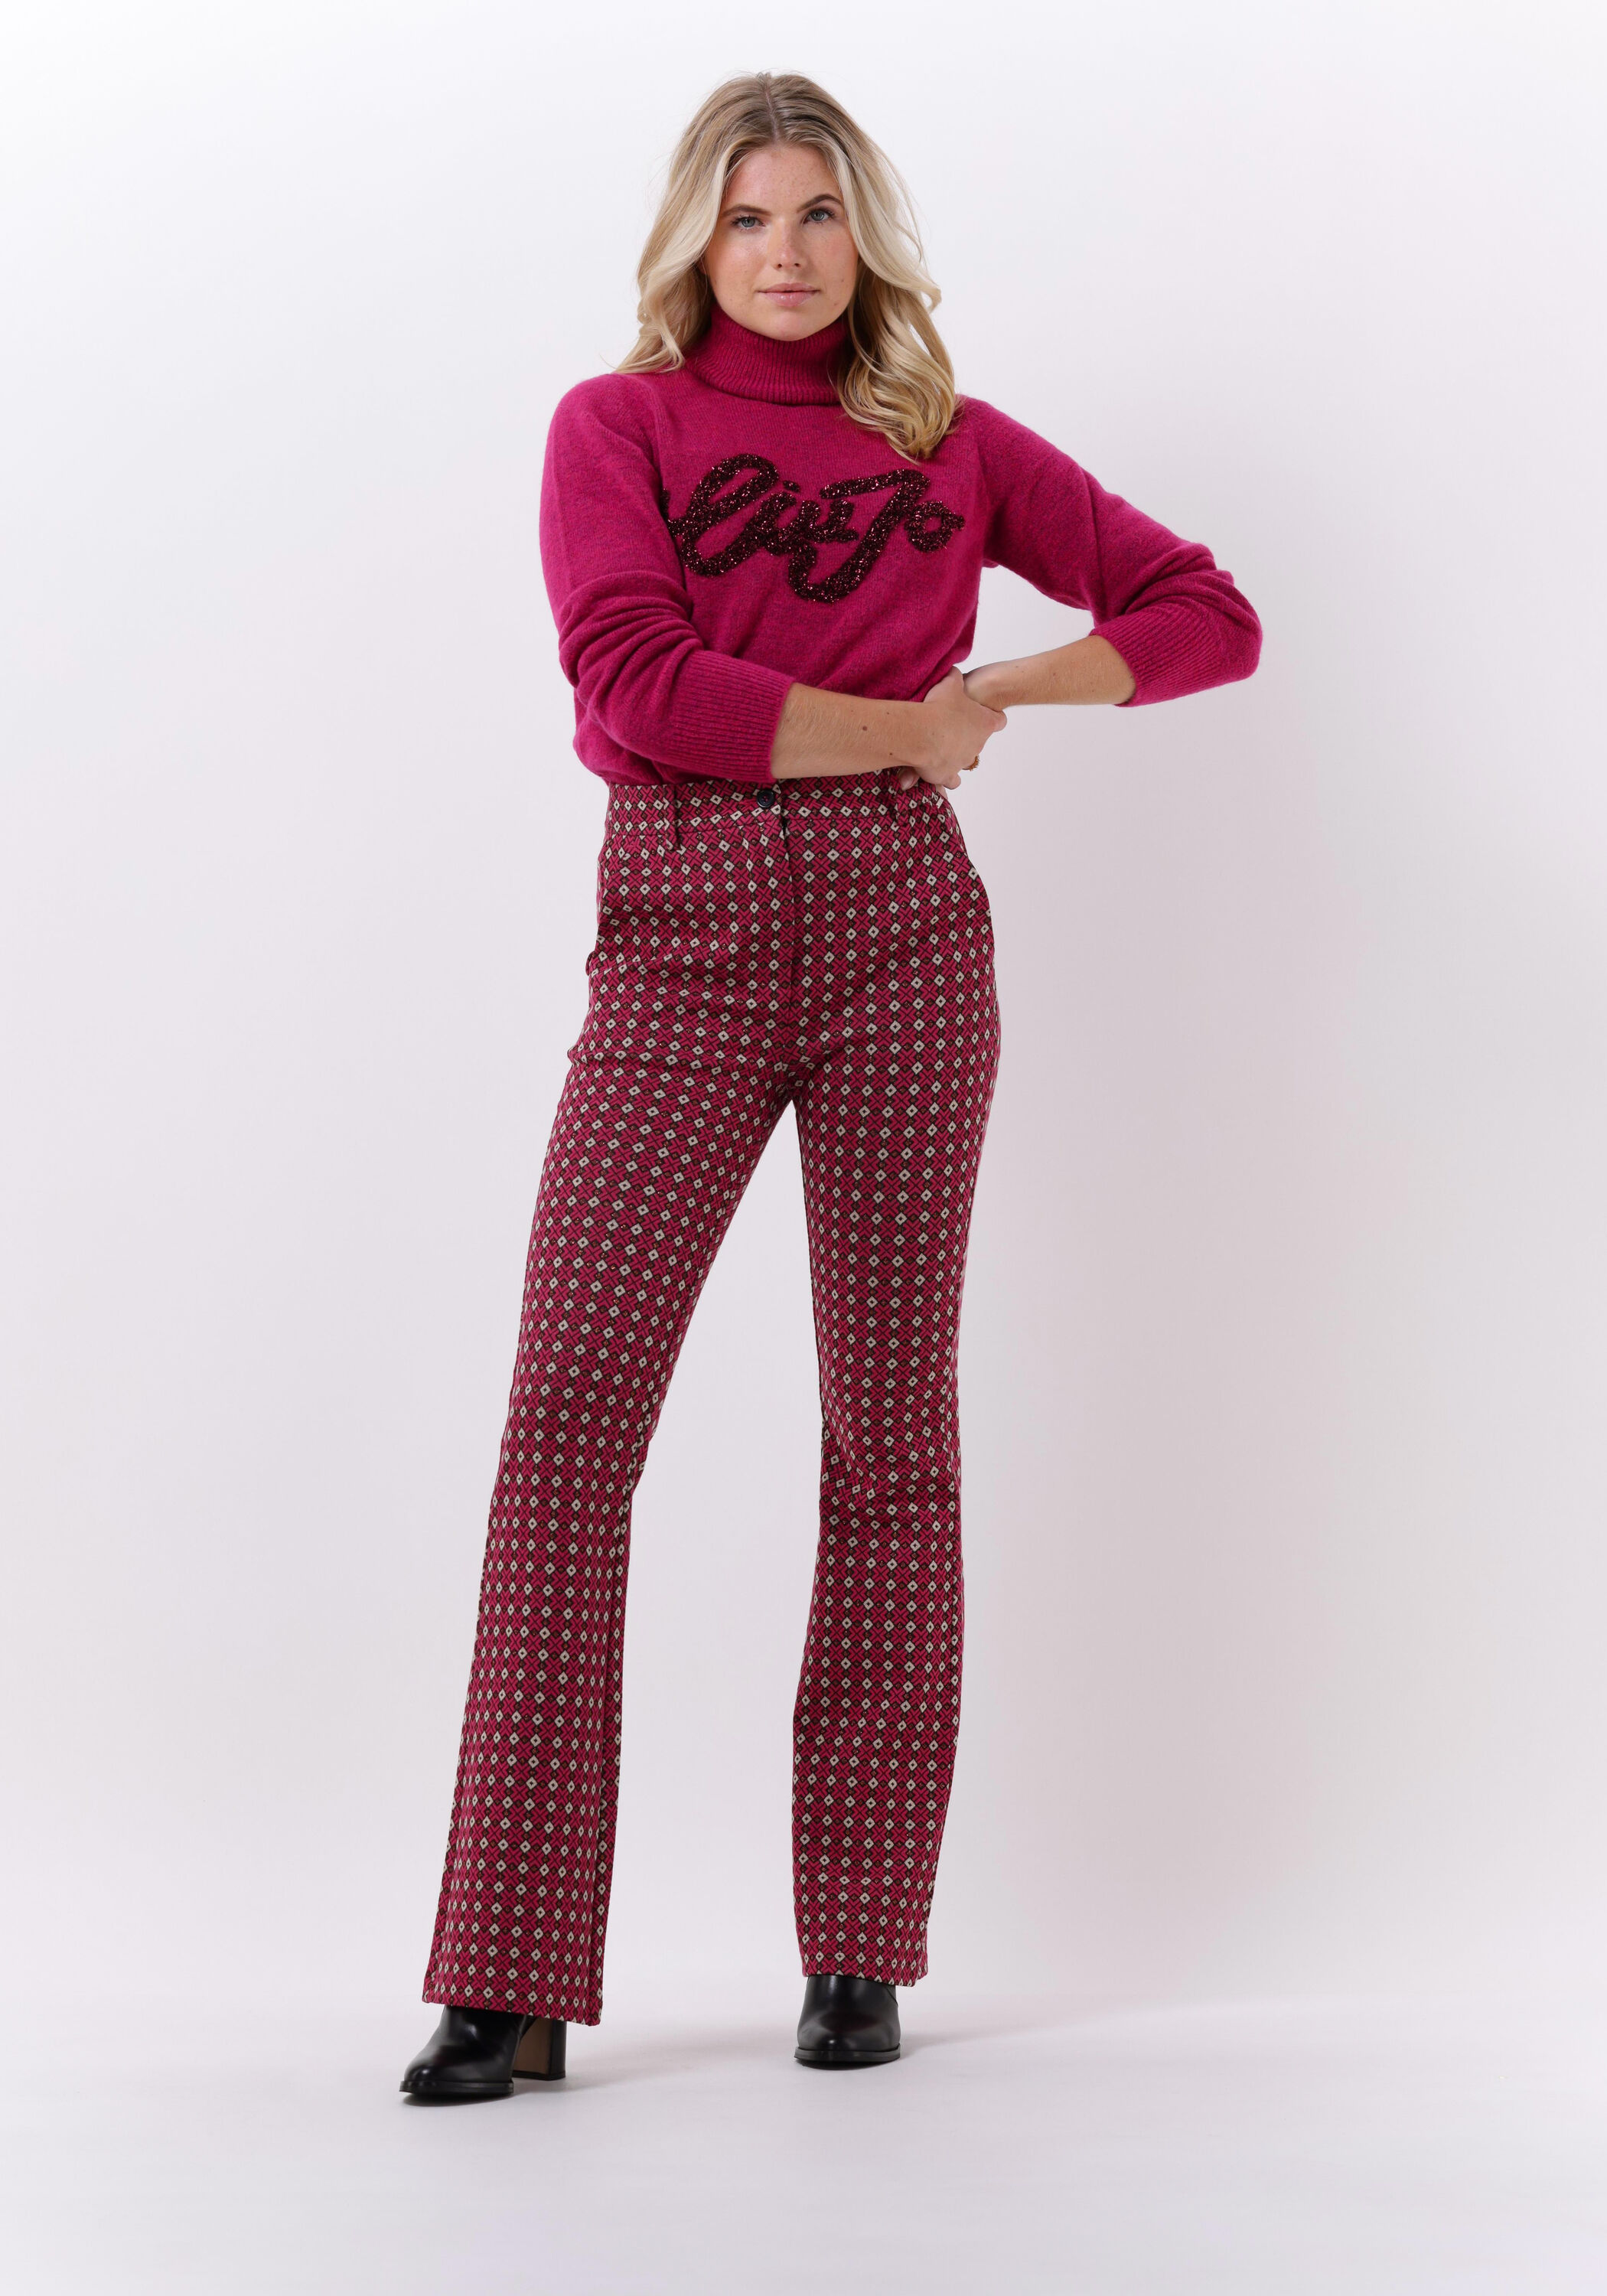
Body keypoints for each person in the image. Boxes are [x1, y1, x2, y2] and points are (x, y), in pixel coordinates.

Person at [400, 70, 1260, 2102]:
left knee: (890, 1438)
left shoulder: (946, 442)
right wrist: (901, 720)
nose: (782, 253)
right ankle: (509, 1974)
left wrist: (999, 692)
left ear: (862, 232)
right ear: (691, 238)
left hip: (906, 939)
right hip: (681, 931)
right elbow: (637, 684)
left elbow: (1205, 615)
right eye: (744, 216)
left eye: (814, 213)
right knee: (565, 1426)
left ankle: (859, 1950)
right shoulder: (616, 427)